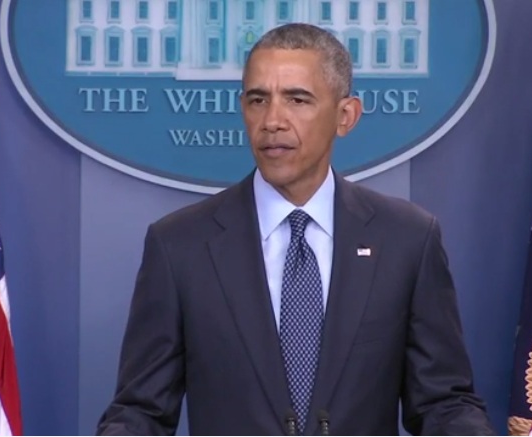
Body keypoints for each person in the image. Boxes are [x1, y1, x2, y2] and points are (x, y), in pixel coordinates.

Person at [97, 23, 494, 436]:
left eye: (297, 99)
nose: (272, 121)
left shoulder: (407, 239)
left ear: (345, 116)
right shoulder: (180, 245)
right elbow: (141, 413)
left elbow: (443, 403)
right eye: (258, 100)